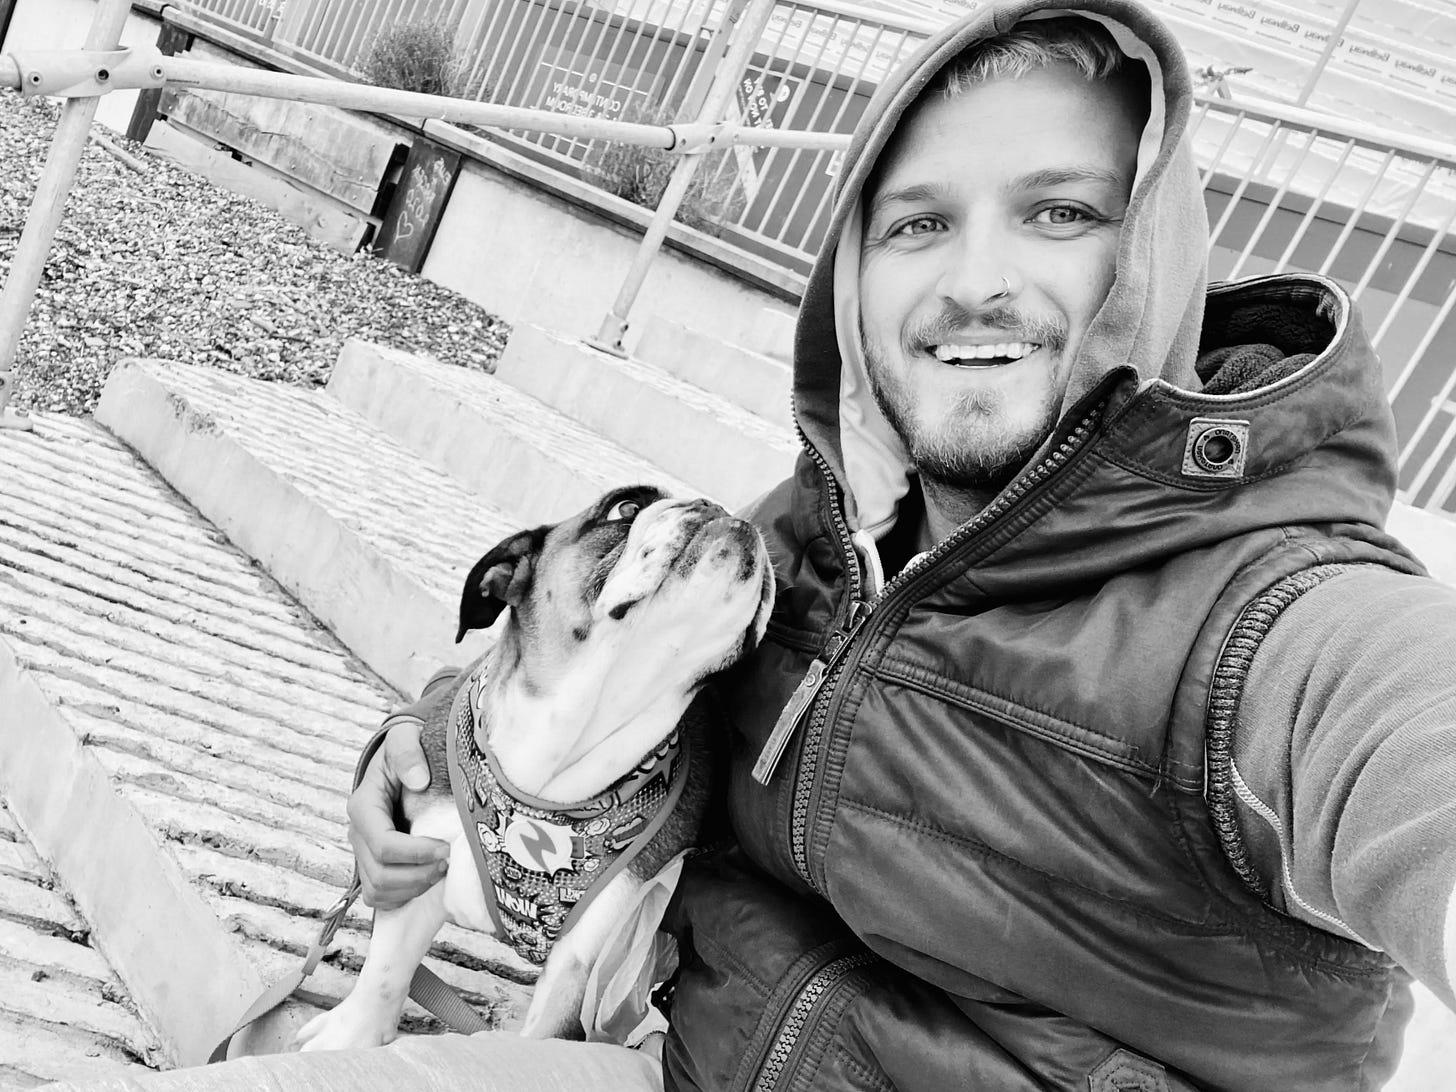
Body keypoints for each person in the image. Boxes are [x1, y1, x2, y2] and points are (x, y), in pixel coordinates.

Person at [51, 0, 1456, 1089]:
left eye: (1062, 212)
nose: (977, 278)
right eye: (918, 223)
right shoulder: (815, 542)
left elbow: (1404, 755)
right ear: (851, 280)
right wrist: (414, 751)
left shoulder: (1277, 626)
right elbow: (597, 683)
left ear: (1156, 254)